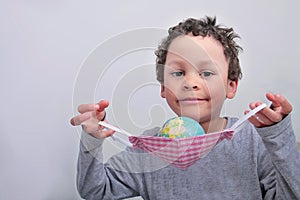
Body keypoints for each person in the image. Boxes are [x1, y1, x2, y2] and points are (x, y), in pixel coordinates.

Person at [70, 16, 300, 199]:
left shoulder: (252, 141)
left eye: (207, 73)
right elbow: (95, 190)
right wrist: (92, 140)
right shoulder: (148, 148)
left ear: (231, 86)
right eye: (178, 73)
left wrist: (277, 135)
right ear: (163, 88)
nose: (190, 82)